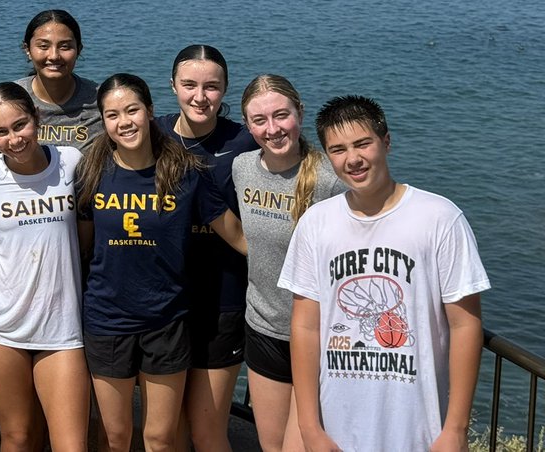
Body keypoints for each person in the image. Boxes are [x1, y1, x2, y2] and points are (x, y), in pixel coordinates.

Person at [279, 95, 489, 452]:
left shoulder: (440, 218)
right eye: (339, 149)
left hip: (419, 431)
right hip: (334, 428)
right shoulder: (316, 223)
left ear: (386, 142)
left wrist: (455, 429)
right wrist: (309, 427)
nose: (353, 159)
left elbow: (465, 324)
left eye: (363, 143)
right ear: (328, 157)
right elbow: (305, 326)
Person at [76, 73, 246, 452]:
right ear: (103, 121)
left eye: (132, 110)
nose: (124, 122)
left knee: (160, 439)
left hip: (167, 320)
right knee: (115, 437)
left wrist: (297, 268)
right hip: (107, 320)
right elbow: (85, 247)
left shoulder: (185, 172)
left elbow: (236, 235)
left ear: (150, 111)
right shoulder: (91, 172)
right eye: (112, 114)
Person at [0, 82, 89, 452]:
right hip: (0, 327)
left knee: (71, 444)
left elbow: (93, 232)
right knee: (18, 437)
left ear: (37, 118)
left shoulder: (72, 162)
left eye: (20, 125)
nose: (14, 139)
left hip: (62, 327)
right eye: (1, 132)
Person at [234, 75, 345, 452]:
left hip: (319, 338)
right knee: (271, 447)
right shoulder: (242, 167)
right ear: (247, 125)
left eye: (282, 115)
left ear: (300, 112)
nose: (272, 129)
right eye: (259, 120)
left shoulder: (329, 182)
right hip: (263, 328)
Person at [156, 44, 255, 452]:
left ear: (225, 88)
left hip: (224, 299)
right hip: (163, 302)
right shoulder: (151, 134)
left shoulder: (246, 141)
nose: (201, 96)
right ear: (173, 86)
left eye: (212, 87)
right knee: (168, 432)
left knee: (208, 431)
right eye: (190, 85)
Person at [14, 9, 102, 152]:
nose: (54, 56)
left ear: (78, 49)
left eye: (65, 46)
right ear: (27, 50)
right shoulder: (10, 98)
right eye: (43, 46)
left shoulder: (101, 100)